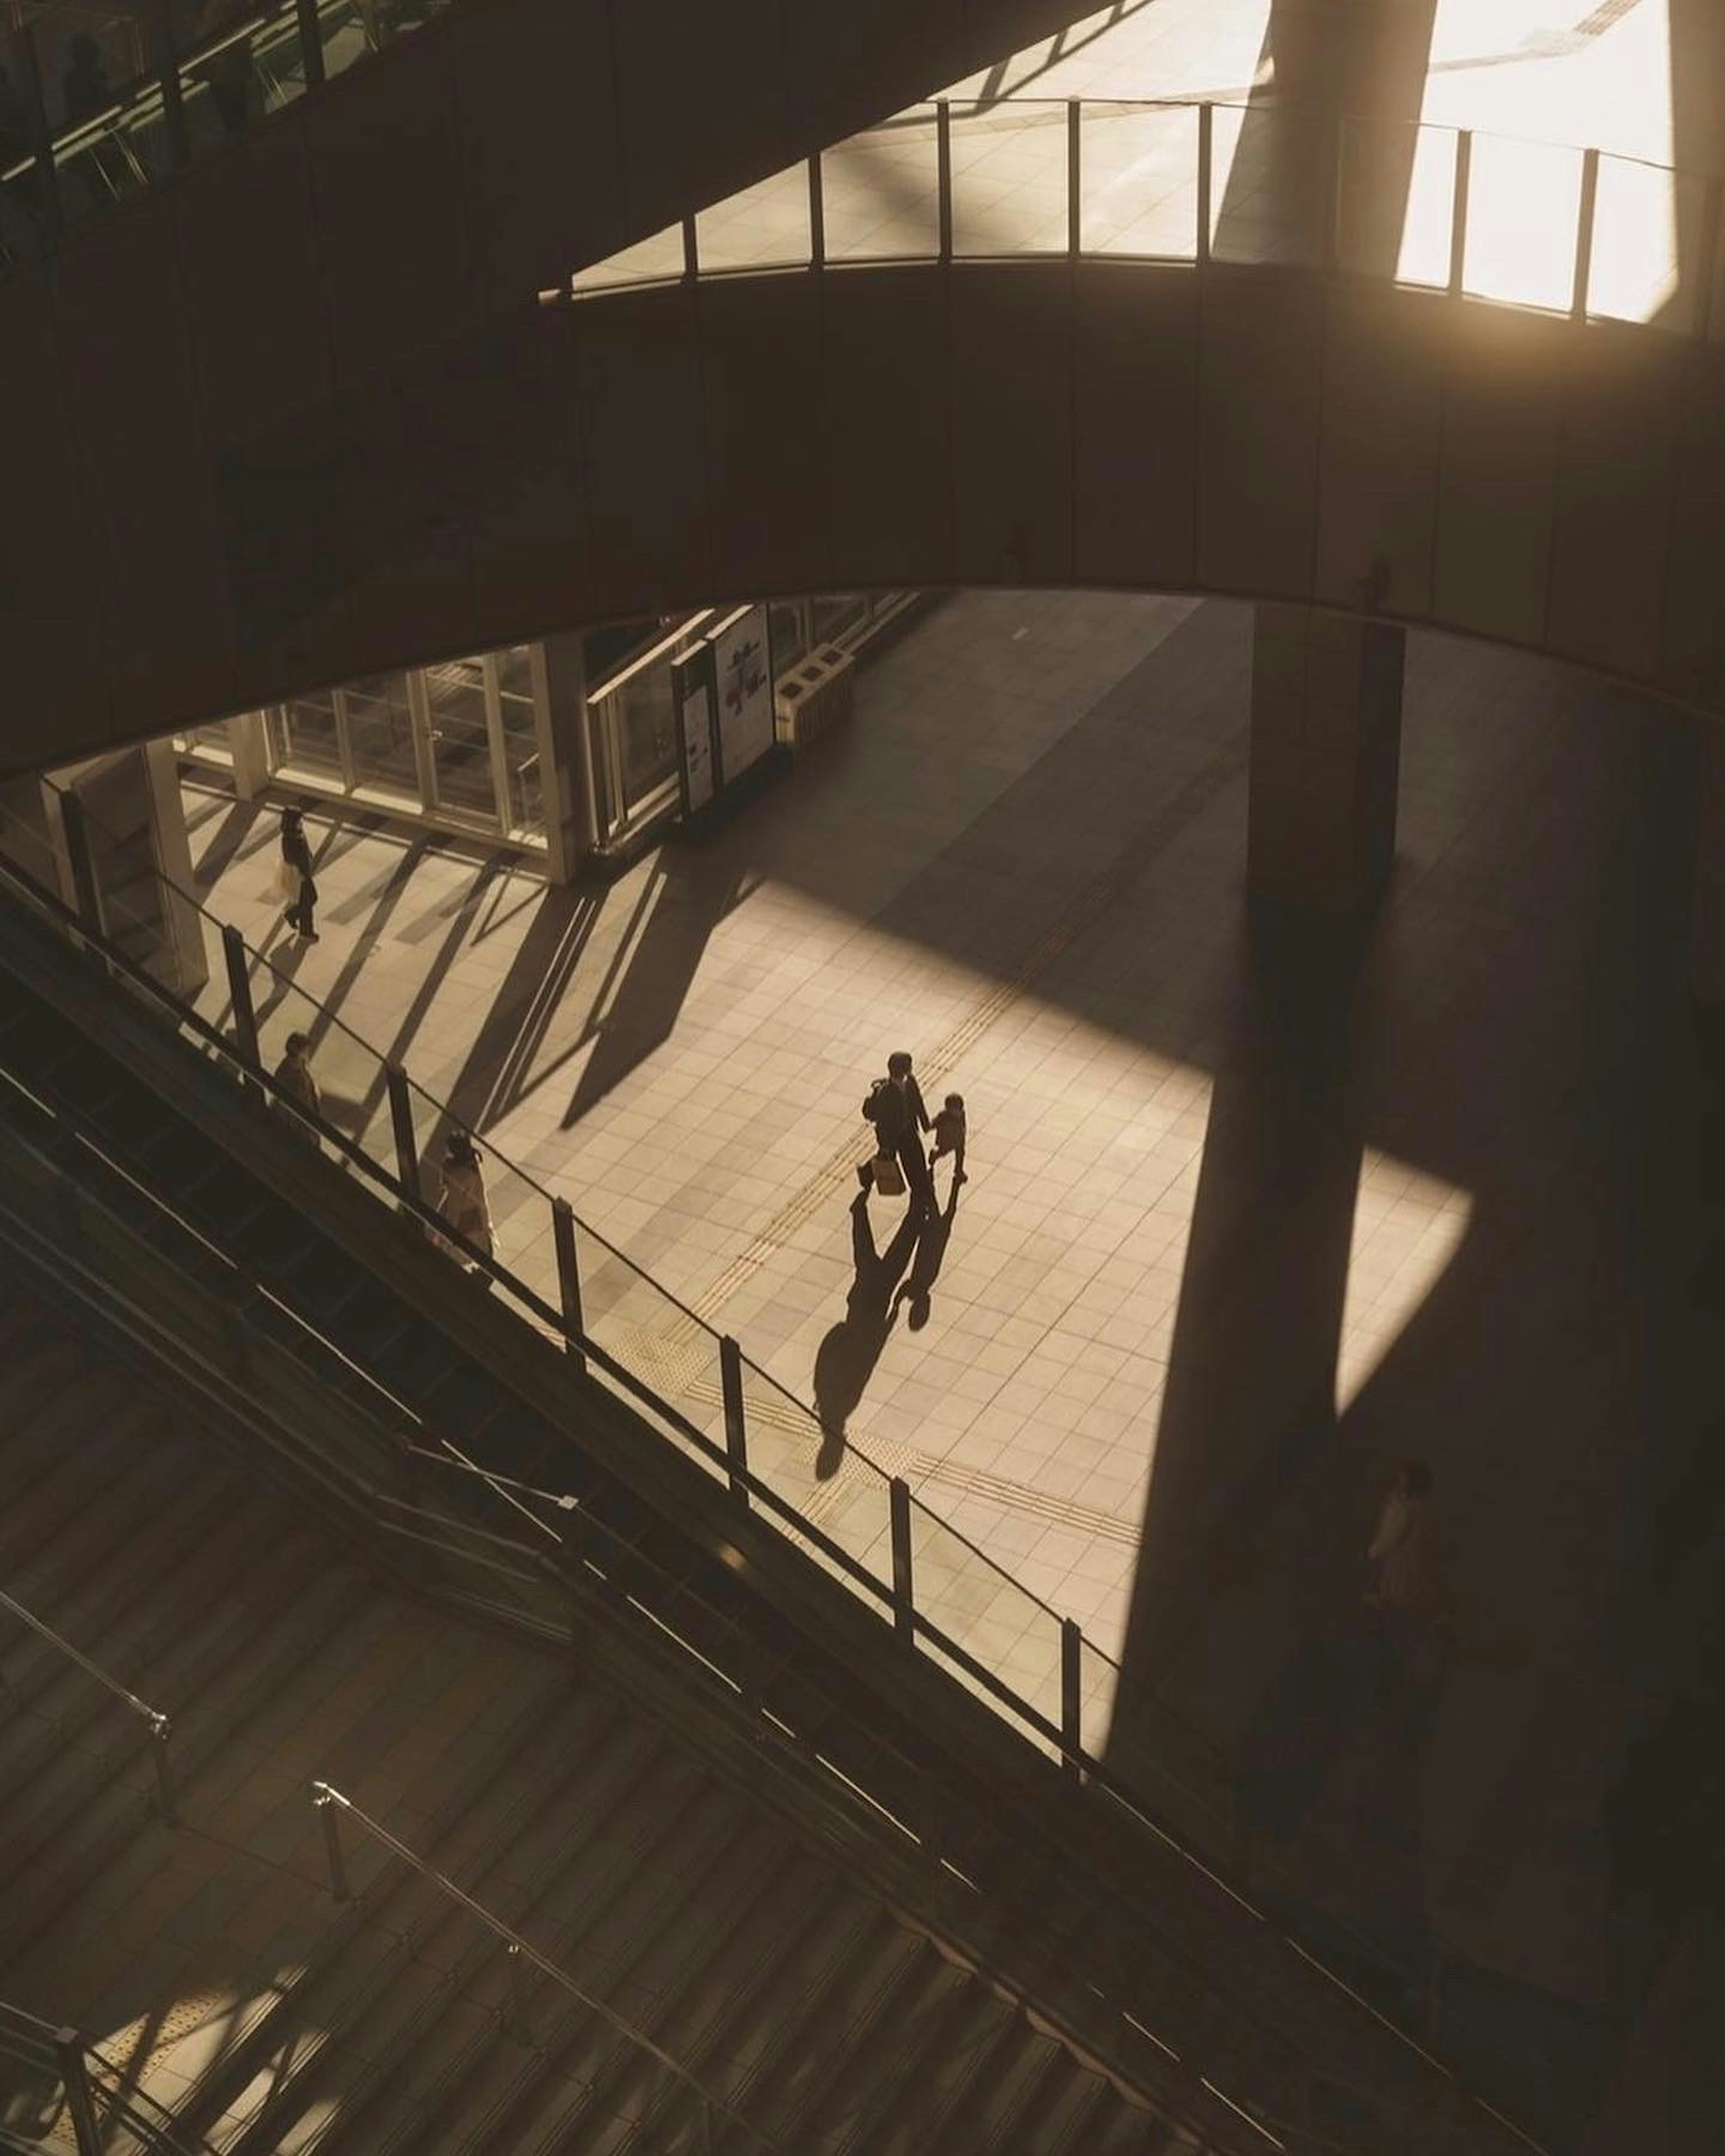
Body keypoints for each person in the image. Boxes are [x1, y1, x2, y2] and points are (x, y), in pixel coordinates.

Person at [858, 1050, 933, 1213]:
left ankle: (920, 1192)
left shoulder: (910, 1082)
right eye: (909, 1067)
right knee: (889, 1160)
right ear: (902, 1070)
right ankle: (867, 1174)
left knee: (917, 1162)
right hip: (894, 1137)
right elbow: (883, 1122)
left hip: (910, 1131)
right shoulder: (886, 1093)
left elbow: (918, 1103)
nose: (911, 1069)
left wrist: (925, 1123)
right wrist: (885, 1144)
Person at [432, 1130, 493, 1272]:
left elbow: (454, 1210)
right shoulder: (474, 1167)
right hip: (476, 1222)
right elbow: (482, 1200)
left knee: (454, 1260)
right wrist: (486, 1227)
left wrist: (445, 1237)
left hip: (463, 1227)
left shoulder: (456, 1176)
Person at [273, 1031, 320, 1144]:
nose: (308, 1053)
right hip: (298, 1122)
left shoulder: (301, 1064)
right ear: (298, 1051)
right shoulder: (287, 1072)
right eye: (305, 1050)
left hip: (307, 1117)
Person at [279, 807, 318, 943]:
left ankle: (306, 932)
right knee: (312, 898)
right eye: (299, 820)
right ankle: (291, 915)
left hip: (305, 872)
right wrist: (301, 875)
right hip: (301, 876)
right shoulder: (289, 839)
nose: (302, 822)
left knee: (306, 902)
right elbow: (291, 859)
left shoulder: (297, 833)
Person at [60, 35, 111, 129]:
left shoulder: (100, 76)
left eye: (88, 53)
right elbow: (74, 109)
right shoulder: (72, 80)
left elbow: (107, 102)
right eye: (82, 54)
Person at [929, 1091, 967, 1187]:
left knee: (961, 1154)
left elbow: (964, 1125)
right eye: (957, 1111)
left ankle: (959, 1171)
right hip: (946, 1141)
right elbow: (934, 1123)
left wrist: (963, 1134)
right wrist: (930, 1126)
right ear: (949, 1109)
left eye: (960, 1110)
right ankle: (934, 1155)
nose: (959, 1113)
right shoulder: (943, 1116)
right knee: (943, 1153)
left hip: (959, 1139)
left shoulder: (962, 1114)